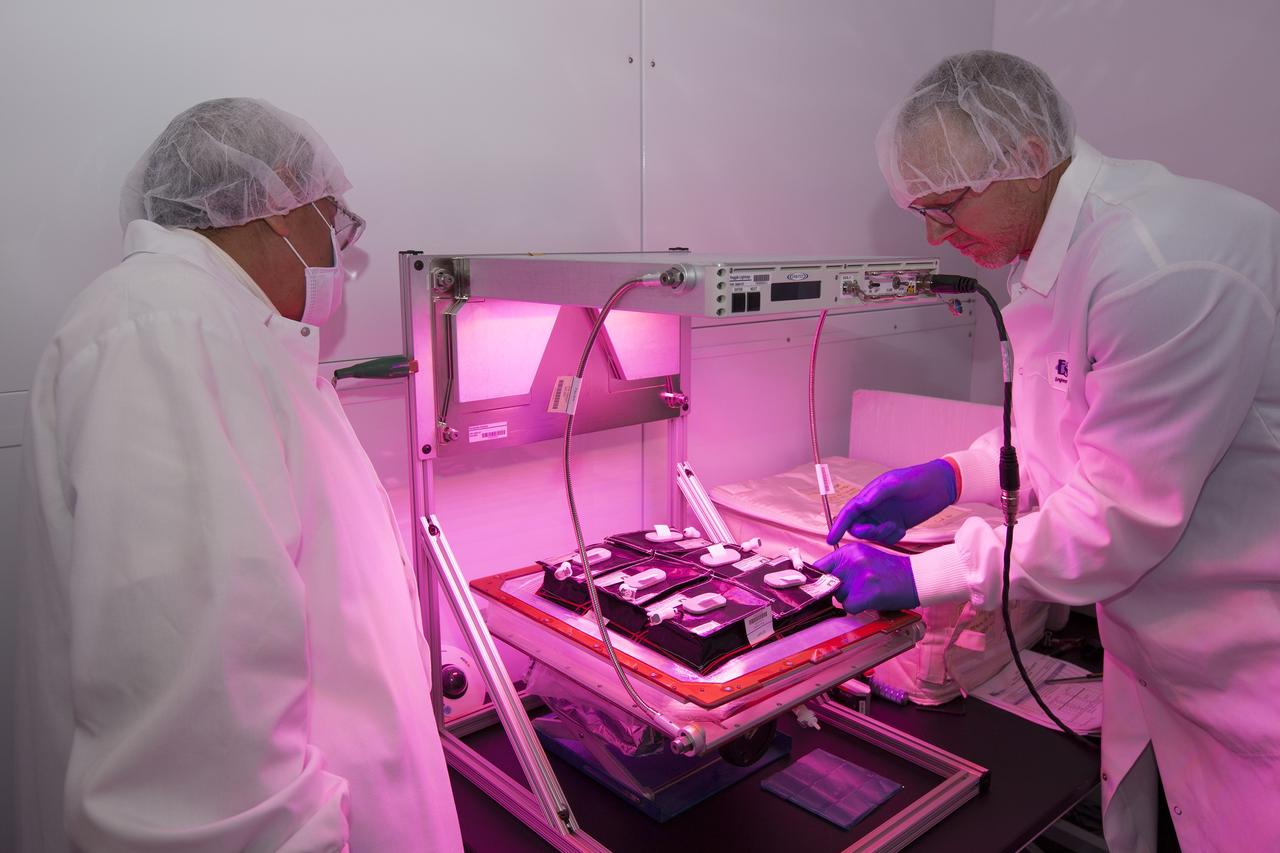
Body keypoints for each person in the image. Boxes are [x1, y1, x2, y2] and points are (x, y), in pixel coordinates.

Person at [816, 51, 1280, 851]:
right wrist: (952, 474)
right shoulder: (1059, 252)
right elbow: (1068, 432)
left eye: (946, 205)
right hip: (1161, 648)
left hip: (1248, 662)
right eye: (920, 211)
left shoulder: (1164, 263)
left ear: (1027, 158)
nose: (937, 234)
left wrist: (927, 573)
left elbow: (1118, 516)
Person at [14, 98, 464, 852]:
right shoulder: (163, 329)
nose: (337, 250)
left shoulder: (228, 332)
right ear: (281, 199)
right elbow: (199, 746)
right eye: (337, 221)